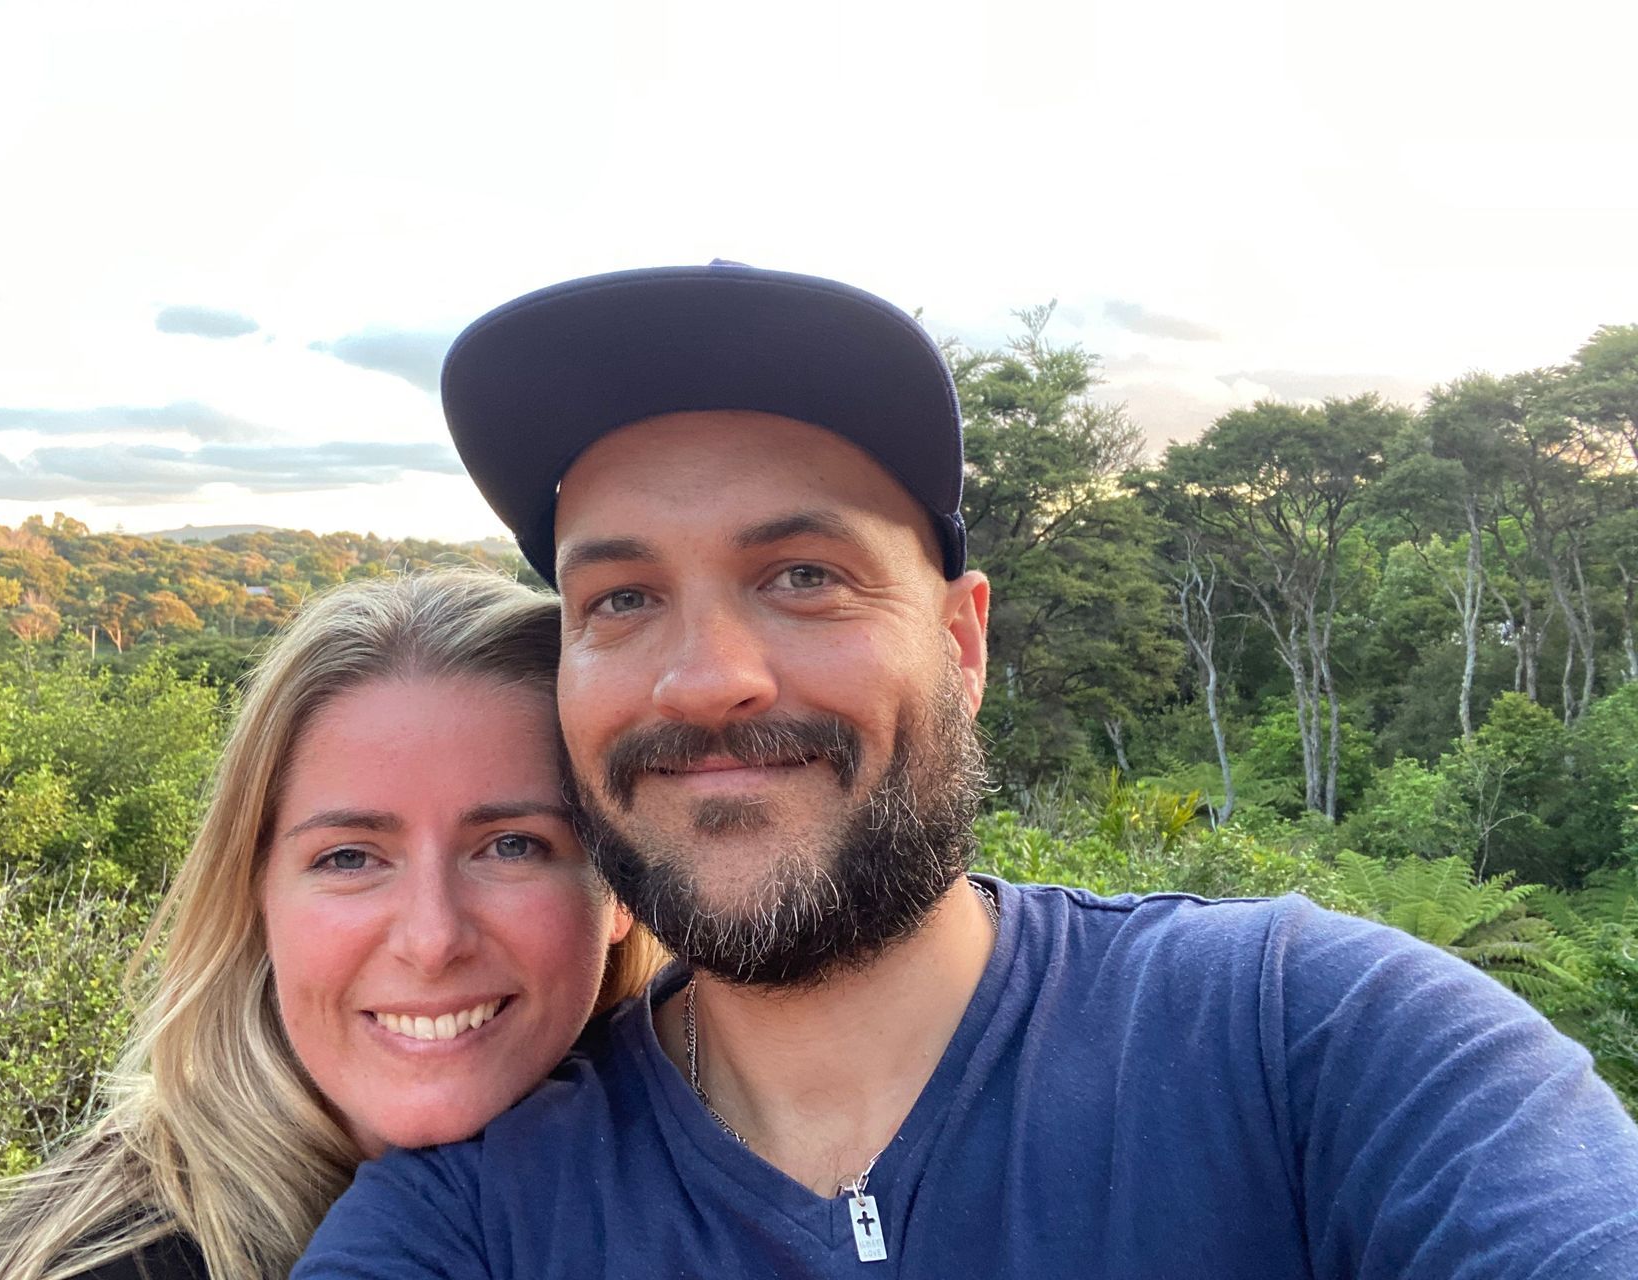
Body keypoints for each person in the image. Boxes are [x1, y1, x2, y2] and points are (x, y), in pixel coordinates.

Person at [295, 262, 1638, 1278]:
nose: (705, 678)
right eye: (622, 599)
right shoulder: (475, 1221)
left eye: (802, 575)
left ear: (961, 642)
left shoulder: (1316, 1046)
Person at [0, 569, 661, 1280]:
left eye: (512, 847)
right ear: (258, 894)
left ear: (622, 884)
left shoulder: (686, 1161)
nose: (433, 940)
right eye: (350, 858)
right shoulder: (122, 1260)